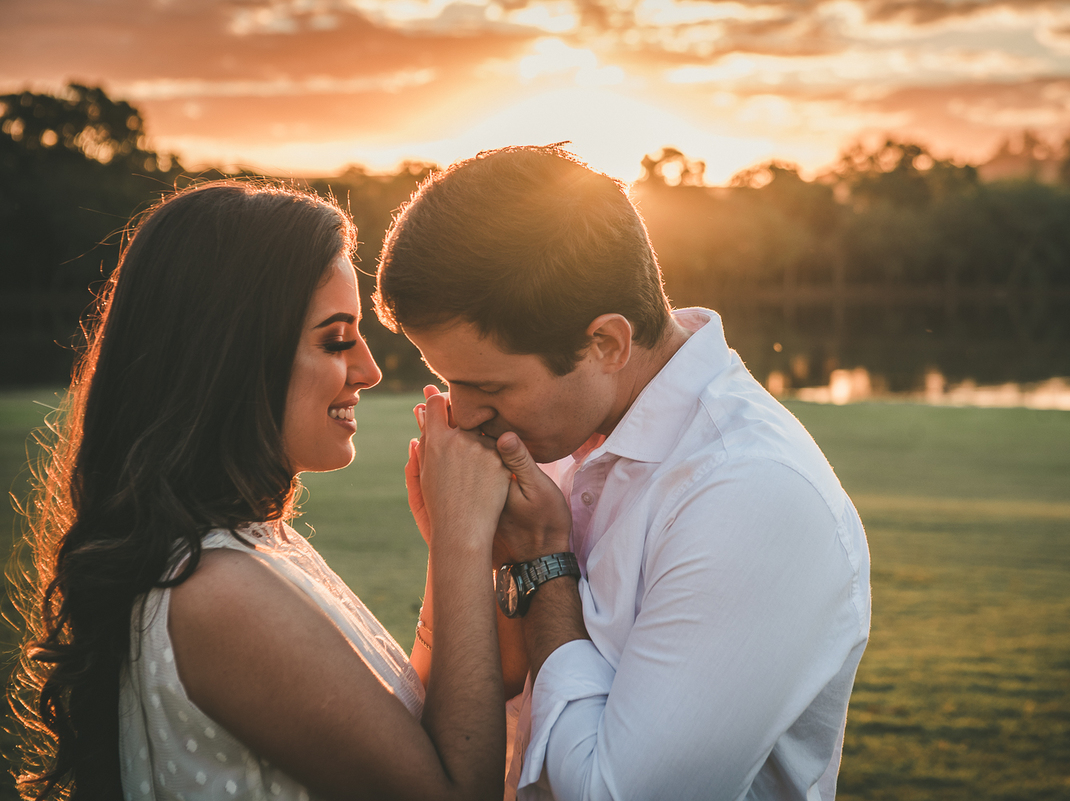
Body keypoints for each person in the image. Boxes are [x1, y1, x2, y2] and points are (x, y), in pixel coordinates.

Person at [375, 145, 872, 801]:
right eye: (446, 382)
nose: (461, 415)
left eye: (486, 384)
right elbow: (485, 692)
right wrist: (460, 550)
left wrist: (543, 564)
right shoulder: (553, 440)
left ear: (607, 343)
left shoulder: (752, 492)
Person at [11, 181, 512, 801]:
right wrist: (464, 542)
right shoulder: (217, 592)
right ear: (235, 354)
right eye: (336, 338)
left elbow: (415, 724)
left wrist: (448, 544)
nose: (370, 371)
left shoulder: (250, 547)